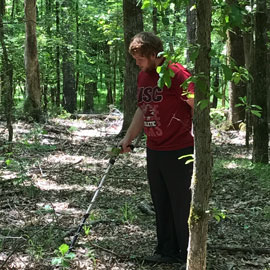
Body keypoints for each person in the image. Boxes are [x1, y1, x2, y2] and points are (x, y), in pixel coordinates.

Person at [120, 32, 194, 265]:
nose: (137, 63)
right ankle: (166, 251)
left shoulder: (177, 74)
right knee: (161, 201)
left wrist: (202, 142)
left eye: (140, 58)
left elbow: (198, 104)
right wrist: (128, 137)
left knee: (181, 204)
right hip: (155, 148)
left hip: (180, 148)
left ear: (154, 55)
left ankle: (188, 255)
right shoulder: (144, 76)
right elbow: (143, 109)